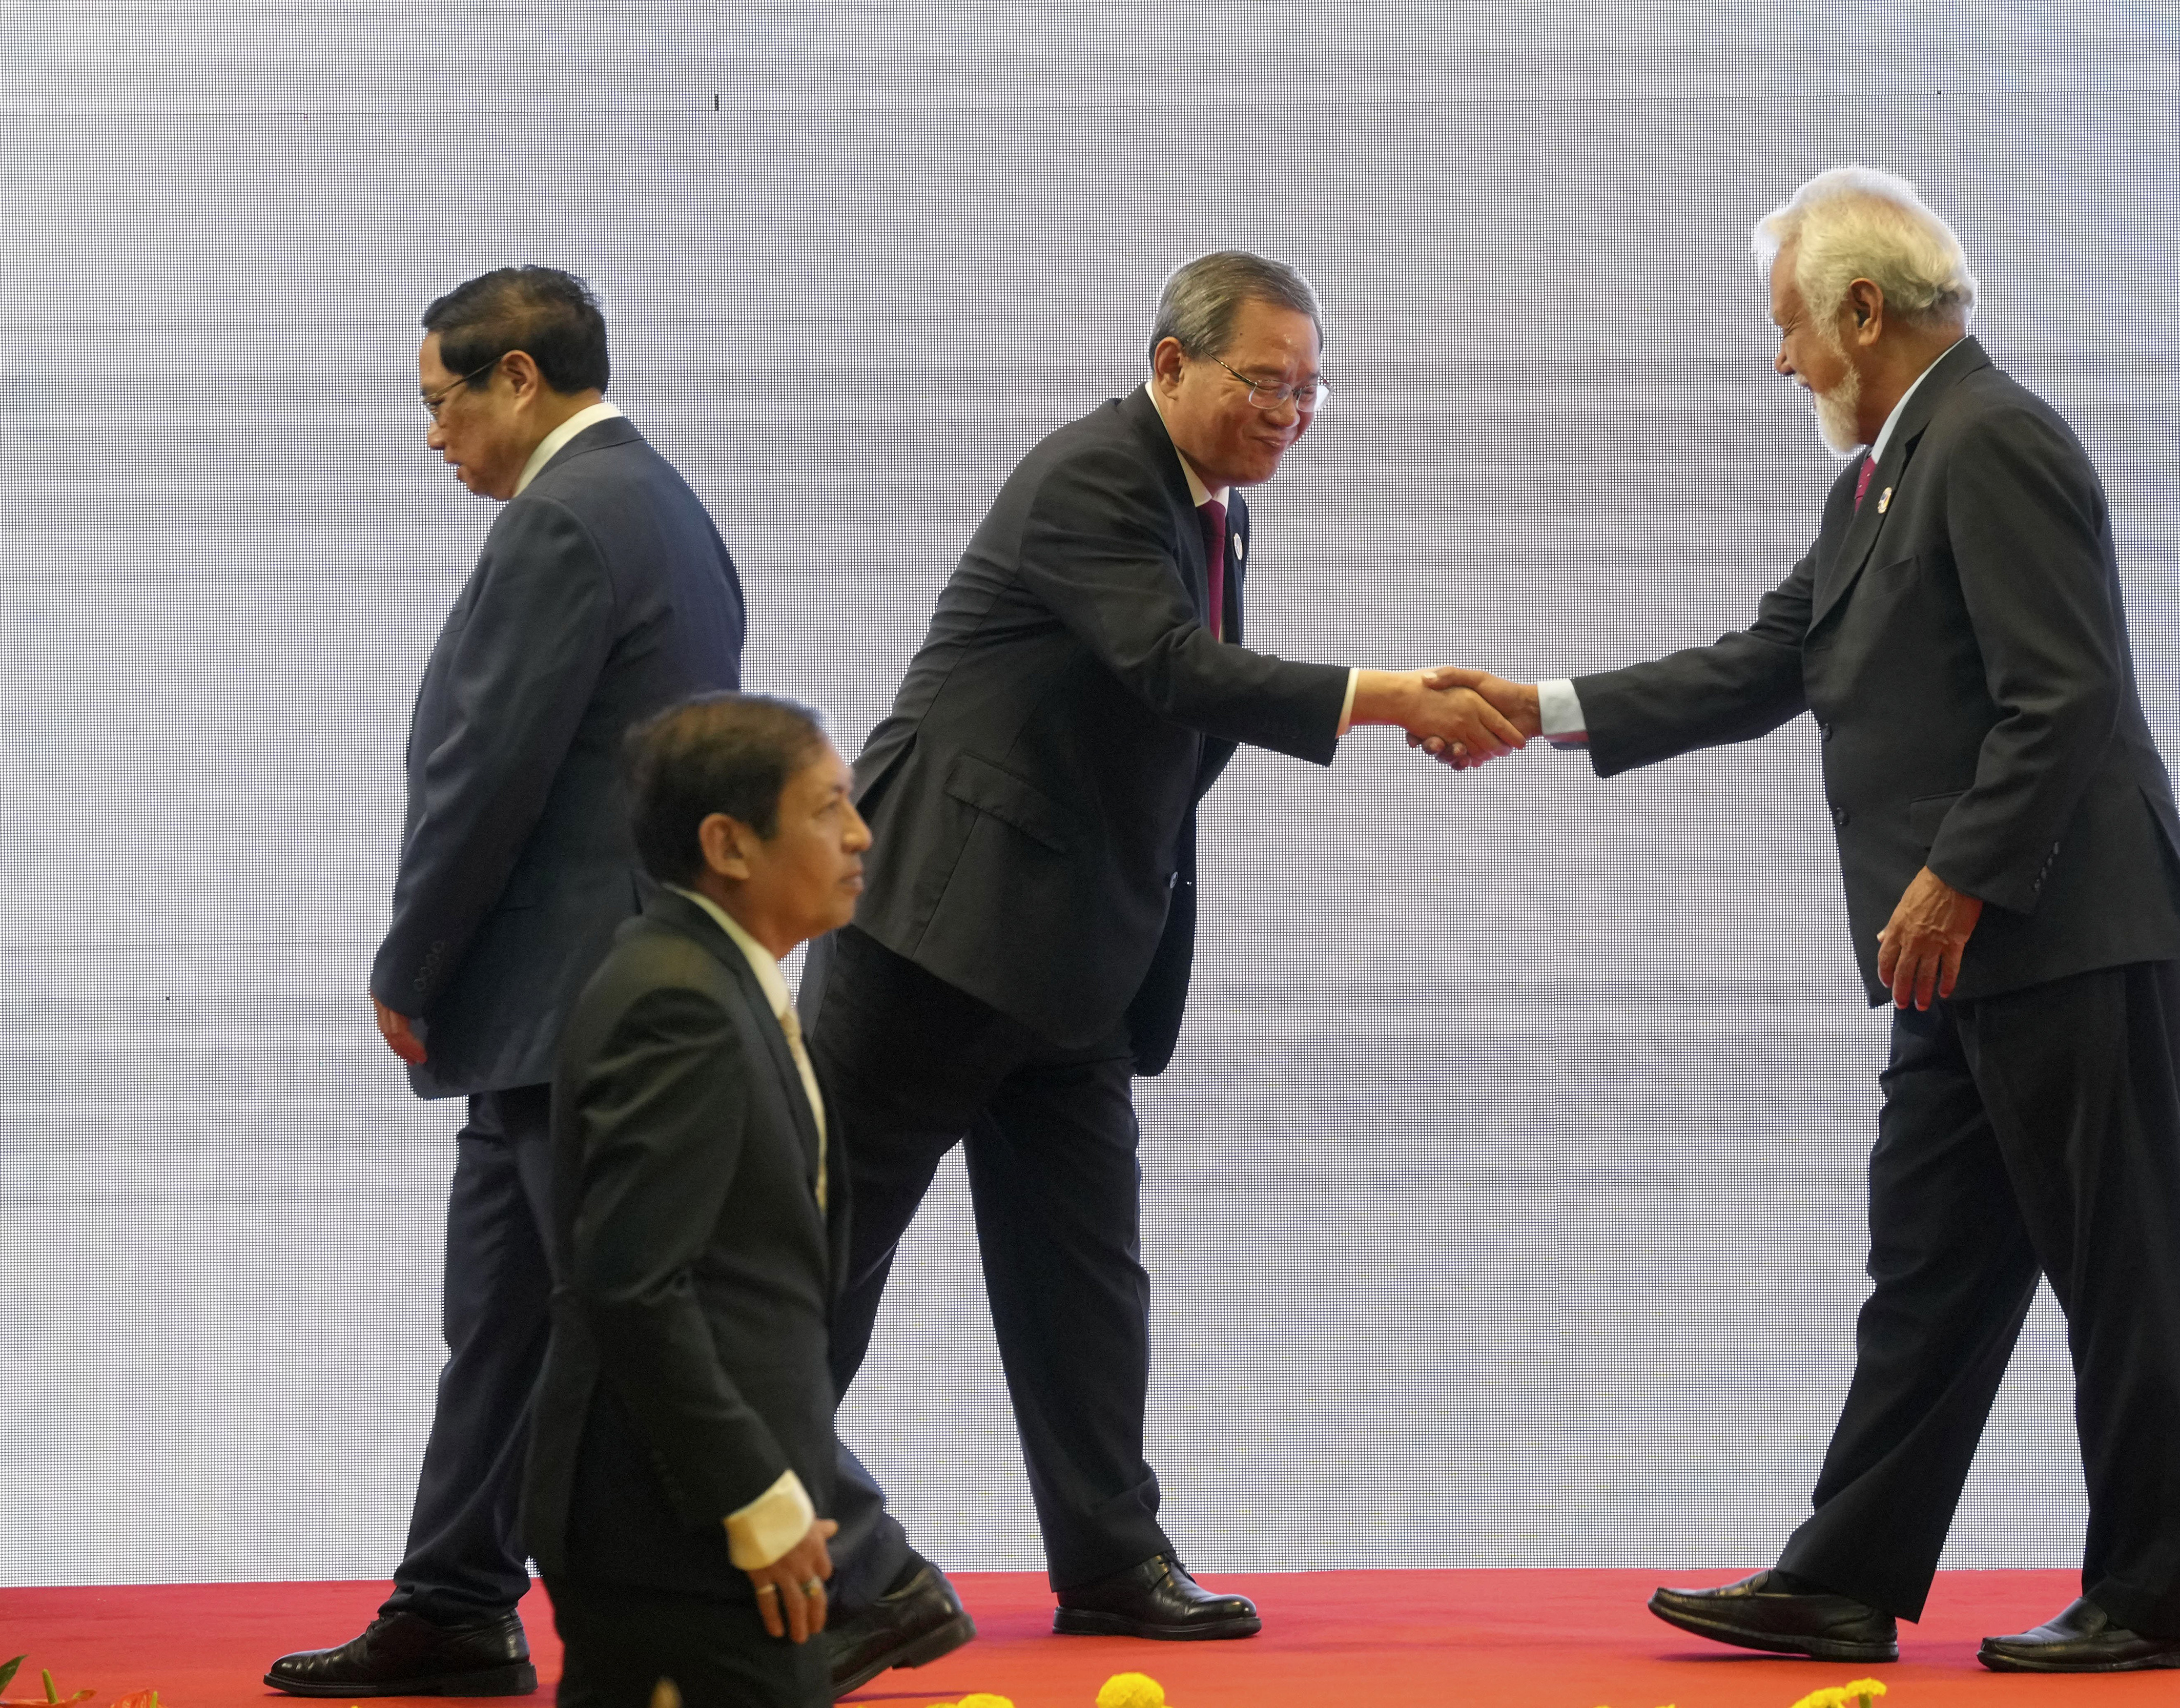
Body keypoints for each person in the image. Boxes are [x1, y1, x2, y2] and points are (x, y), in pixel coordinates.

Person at [1429, 168, 2180, 1673]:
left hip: (2057, 927)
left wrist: (1961, 871)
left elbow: (2067, 694)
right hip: (1956, 952)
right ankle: (1842, 1577)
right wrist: (1533, 708)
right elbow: (1762, 659)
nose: (1783, 359)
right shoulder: (1879, 476)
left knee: (2118, 1267)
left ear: (1864, 310)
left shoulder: (1994, 439)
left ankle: (2159, 1596)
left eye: (1789, 327)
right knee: (1927, 1264)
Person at [795, 250, 1525, 1665]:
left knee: (1086, 1272)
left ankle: (1115, 1558)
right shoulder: (1090, 473)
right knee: (820, 1263)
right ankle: (745, 1533)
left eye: (1312, 388)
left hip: (1073, 959)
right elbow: (1171, 672)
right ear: (1172, 360)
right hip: (937, 936)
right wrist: (1390, 699)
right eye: (1267, 379)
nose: (1291, 409)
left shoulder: (1216, 512)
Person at [268, 267, 749, 1694]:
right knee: (505, 1314)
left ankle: (822, 1582)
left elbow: (488, 776)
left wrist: (413, 962)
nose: (434, 438)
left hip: (568, 1006)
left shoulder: (564, 518)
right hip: (584, 1004)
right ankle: (456, 1594)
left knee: (618, 1322)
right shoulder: (665, 502)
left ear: (519, 378)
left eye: (441, 402)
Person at [520, 693, 875, 1705]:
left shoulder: (717, 980)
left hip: (700, 1518)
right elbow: (633, 1285)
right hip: (674, 1529)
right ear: (728, 843)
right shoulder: (679, 1000)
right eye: (826, 808)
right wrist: (755, 1501)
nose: (860, 834)